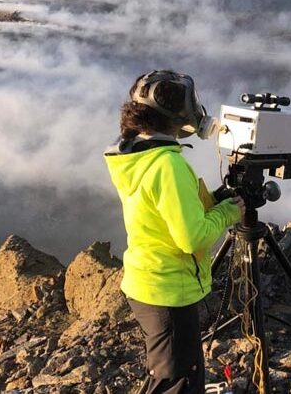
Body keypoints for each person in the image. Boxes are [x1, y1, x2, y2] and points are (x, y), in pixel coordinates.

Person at [104, 70, 244, 394]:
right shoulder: (168, 165)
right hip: (168, 291)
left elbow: (168, 212)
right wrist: (227, 213)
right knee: (177, 382)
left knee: (165, 374)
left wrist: (215, 201)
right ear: (177, 116)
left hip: (147, 283)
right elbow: (192, 238)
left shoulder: (136, 155)